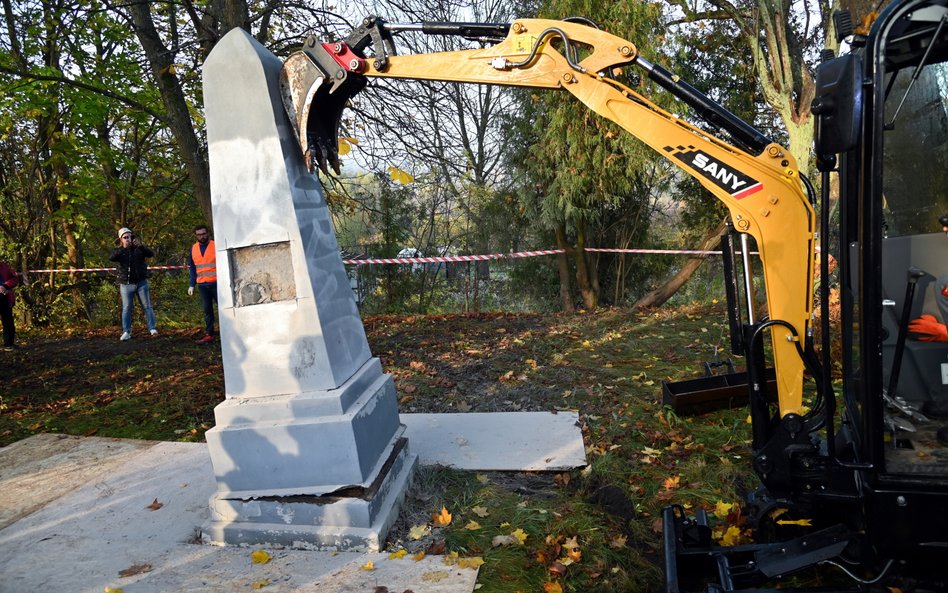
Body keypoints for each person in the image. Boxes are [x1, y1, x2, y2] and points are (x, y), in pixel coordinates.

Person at [109, 227, 157, 341]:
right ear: (121, 239)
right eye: (125, 237)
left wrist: (140, 246)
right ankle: (126, 331)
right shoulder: (119, 251)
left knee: (147, 306)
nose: (128, 239)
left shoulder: (139, 249)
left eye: (130, 236)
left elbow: (150, 254)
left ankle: (152, 328)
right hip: (126, 284)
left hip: (141, 282)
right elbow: (111, 257)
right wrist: (123, 248)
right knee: (126, 308)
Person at [187, 224, 218, 344]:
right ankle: (210, 334)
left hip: (216, 283)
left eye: (203, 234)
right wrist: (191, 284)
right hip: (202, 285)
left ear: (208, 233)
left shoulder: (215, 245)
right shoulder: (193, 248)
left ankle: (229, 331)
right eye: (199, 234)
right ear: (196, 236)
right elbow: (193, 268)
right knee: (207, 311)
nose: (202, 236)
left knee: (223, 309)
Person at [0, 260, 19, 350]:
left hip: (5, 297)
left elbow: (14, 278)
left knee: (8, 322)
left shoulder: (4, 266)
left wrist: (5, 286)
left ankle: (8, 344)